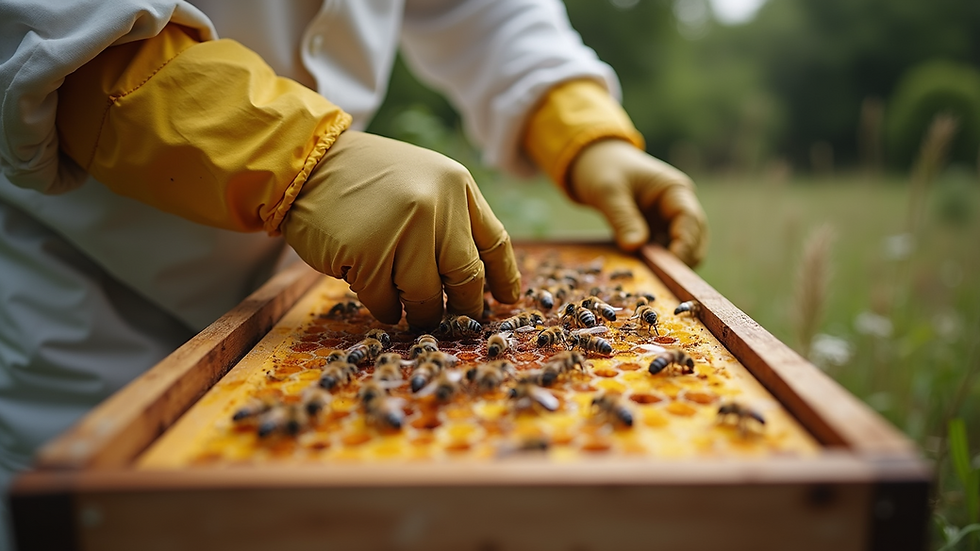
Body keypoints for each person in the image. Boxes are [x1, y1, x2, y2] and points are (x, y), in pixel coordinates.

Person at [0, 0, 707, 546]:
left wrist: (580, 126)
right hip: (87, 307)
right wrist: (292, 156)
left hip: (327, 292)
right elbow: (47, 20)